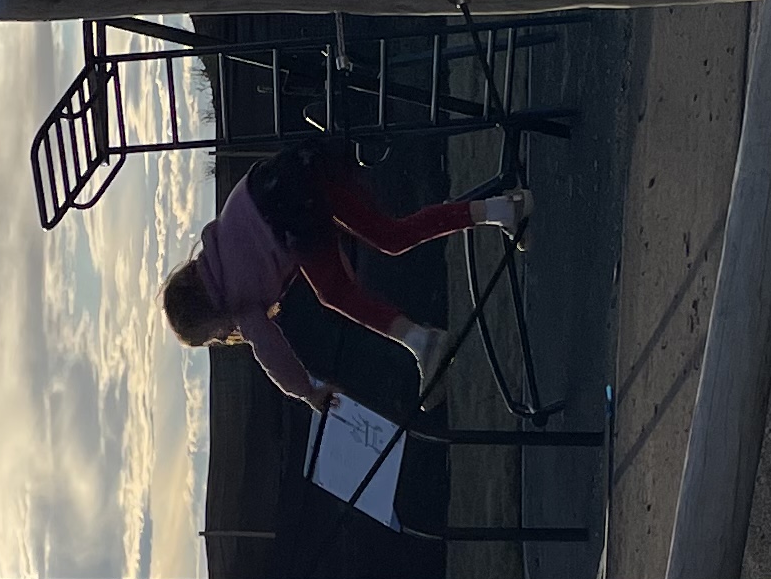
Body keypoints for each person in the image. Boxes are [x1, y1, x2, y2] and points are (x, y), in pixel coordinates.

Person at [161, 141, 529, 412]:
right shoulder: (219, 246)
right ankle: (503, 209)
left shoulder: (235, 302)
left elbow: (270, 352)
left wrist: (307, 391)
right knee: (390, 235)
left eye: (212, 336)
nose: (222, 337)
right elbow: (271, 230)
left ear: (206, 314)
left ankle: (422, 341)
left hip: (291, 210)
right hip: (297, 171)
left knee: (334, 293)